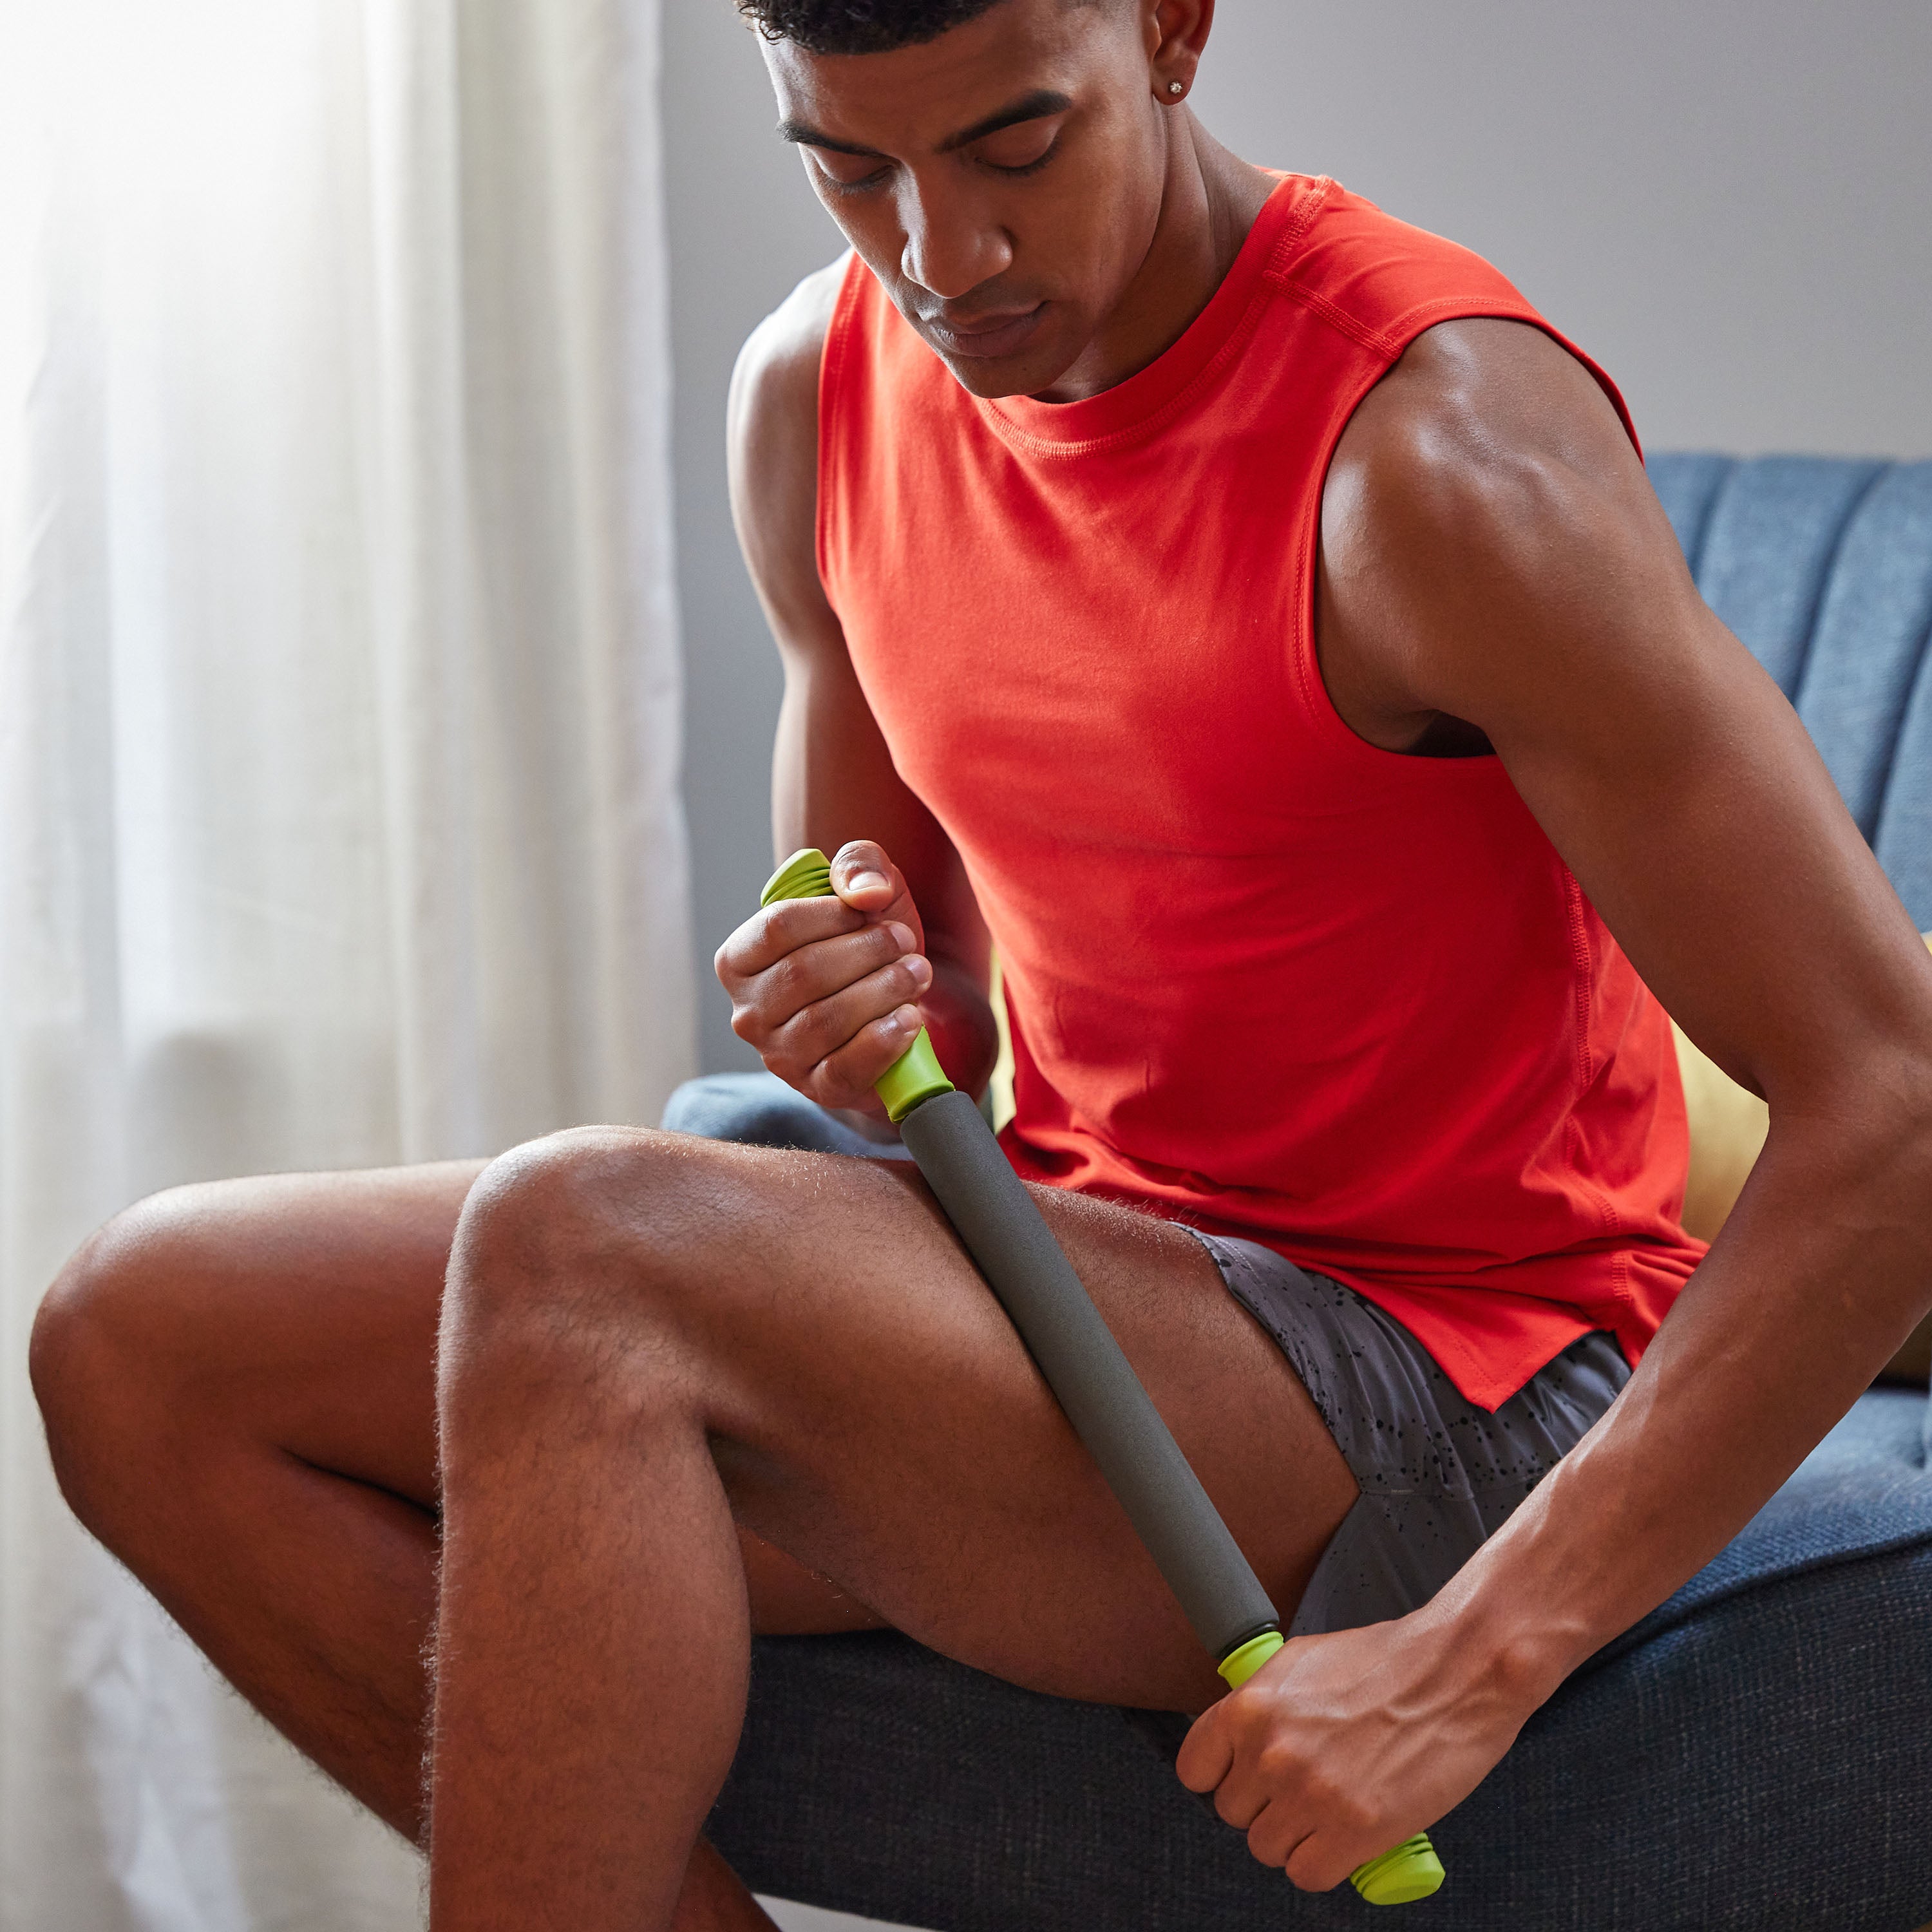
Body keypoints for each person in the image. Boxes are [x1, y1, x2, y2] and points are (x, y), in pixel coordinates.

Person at [28, 1, 1932, 1927]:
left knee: (586, 1246)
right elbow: (911, 987)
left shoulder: (1439, 460)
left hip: (1449, 1368)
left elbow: (1898, 1098)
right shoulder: (820, 390)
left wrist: (1476, 1660)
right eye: (852, 167)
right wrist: (857, 1005)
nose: (942, 257)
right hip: (1064, 1262)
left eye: (1015, 148)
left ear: (1173, 31)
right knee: (145, 1338)